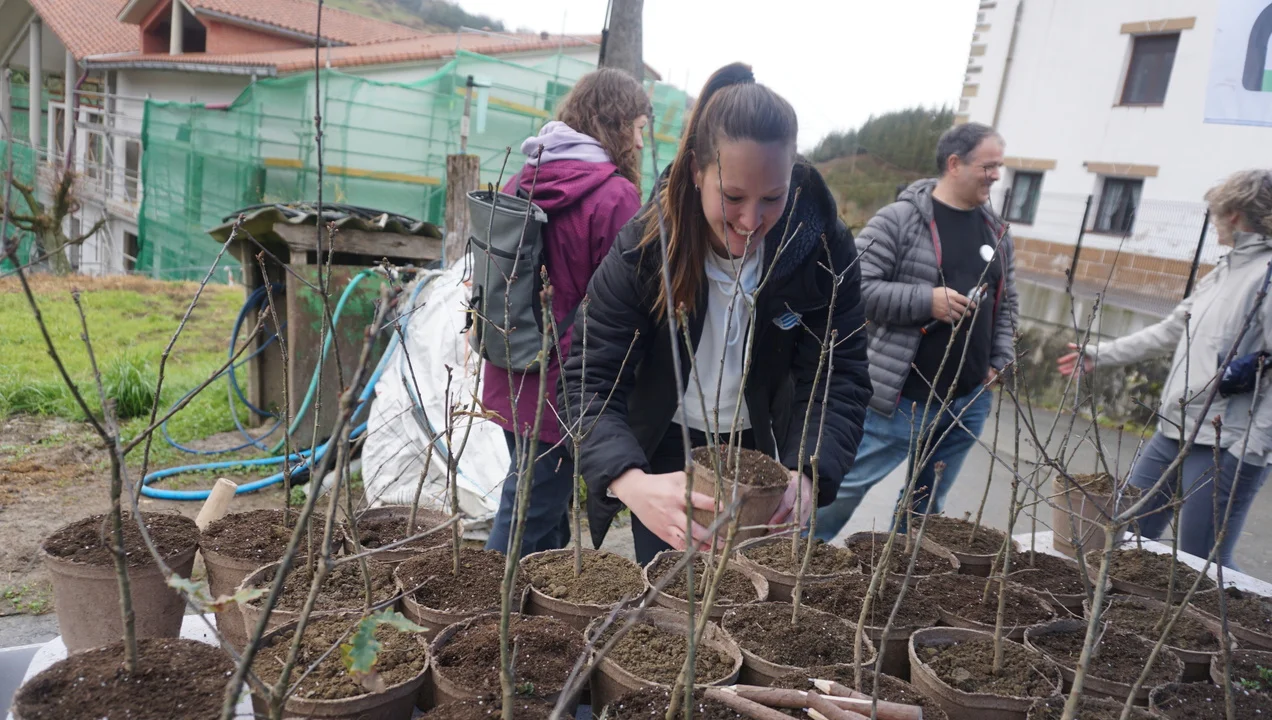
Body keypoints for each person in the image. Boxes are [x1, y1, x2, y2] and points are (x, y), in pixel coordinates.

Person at [561, 63, 873, 565]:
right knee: (674, 583)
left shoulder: (820, 249)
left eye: (772, 198)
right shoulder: (646, 247)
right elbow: (586, 377)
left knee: (747, 588)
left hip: (760, 445)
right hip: (669, 445)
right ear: (696, 172)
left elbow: (839, 376)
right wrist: (630, 482)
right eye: (732, 197)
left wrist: (809, 472)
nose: (751, 220)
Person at [1056, 169, 1272, 571]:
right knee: (1126, 536)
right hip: (1174, 429)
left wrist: (1252, 447)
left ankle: (1239, 615)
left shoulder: (1267, 276)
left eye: (1216, 213)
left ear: (1235, 214)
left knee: (1202, 562)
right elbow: (1173, 328)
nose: (1213, 221)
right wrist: (1099, 355)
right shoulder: (1224, 271)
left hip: (1226, 442)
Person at [814, 122, 1019, 542]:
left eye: (999, 166)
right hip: (901, 398)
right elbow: (852, 287)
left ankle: (899, 570)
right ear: (954, 163)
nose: (996, 175)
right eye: (988, 166)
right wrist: (927, 301)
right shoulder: (900, 220)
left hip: (969, 399)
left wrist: (999, 360)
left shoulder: (997, 230)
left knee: (926, 505)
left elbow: (1007, 302)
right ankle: (791, 557)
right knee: (841, 491)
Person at [483, 68, 651, 558]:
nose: (640, 142)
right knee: (527, 515)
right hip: (565, 381)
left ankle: (535, 598)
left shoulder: (523, 178)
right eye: (638, 128)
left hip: (510, 362)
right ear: (615, 123)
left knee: (543, 508)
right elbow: (627, 301)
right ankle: (489, 601)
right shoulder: (615, 196)